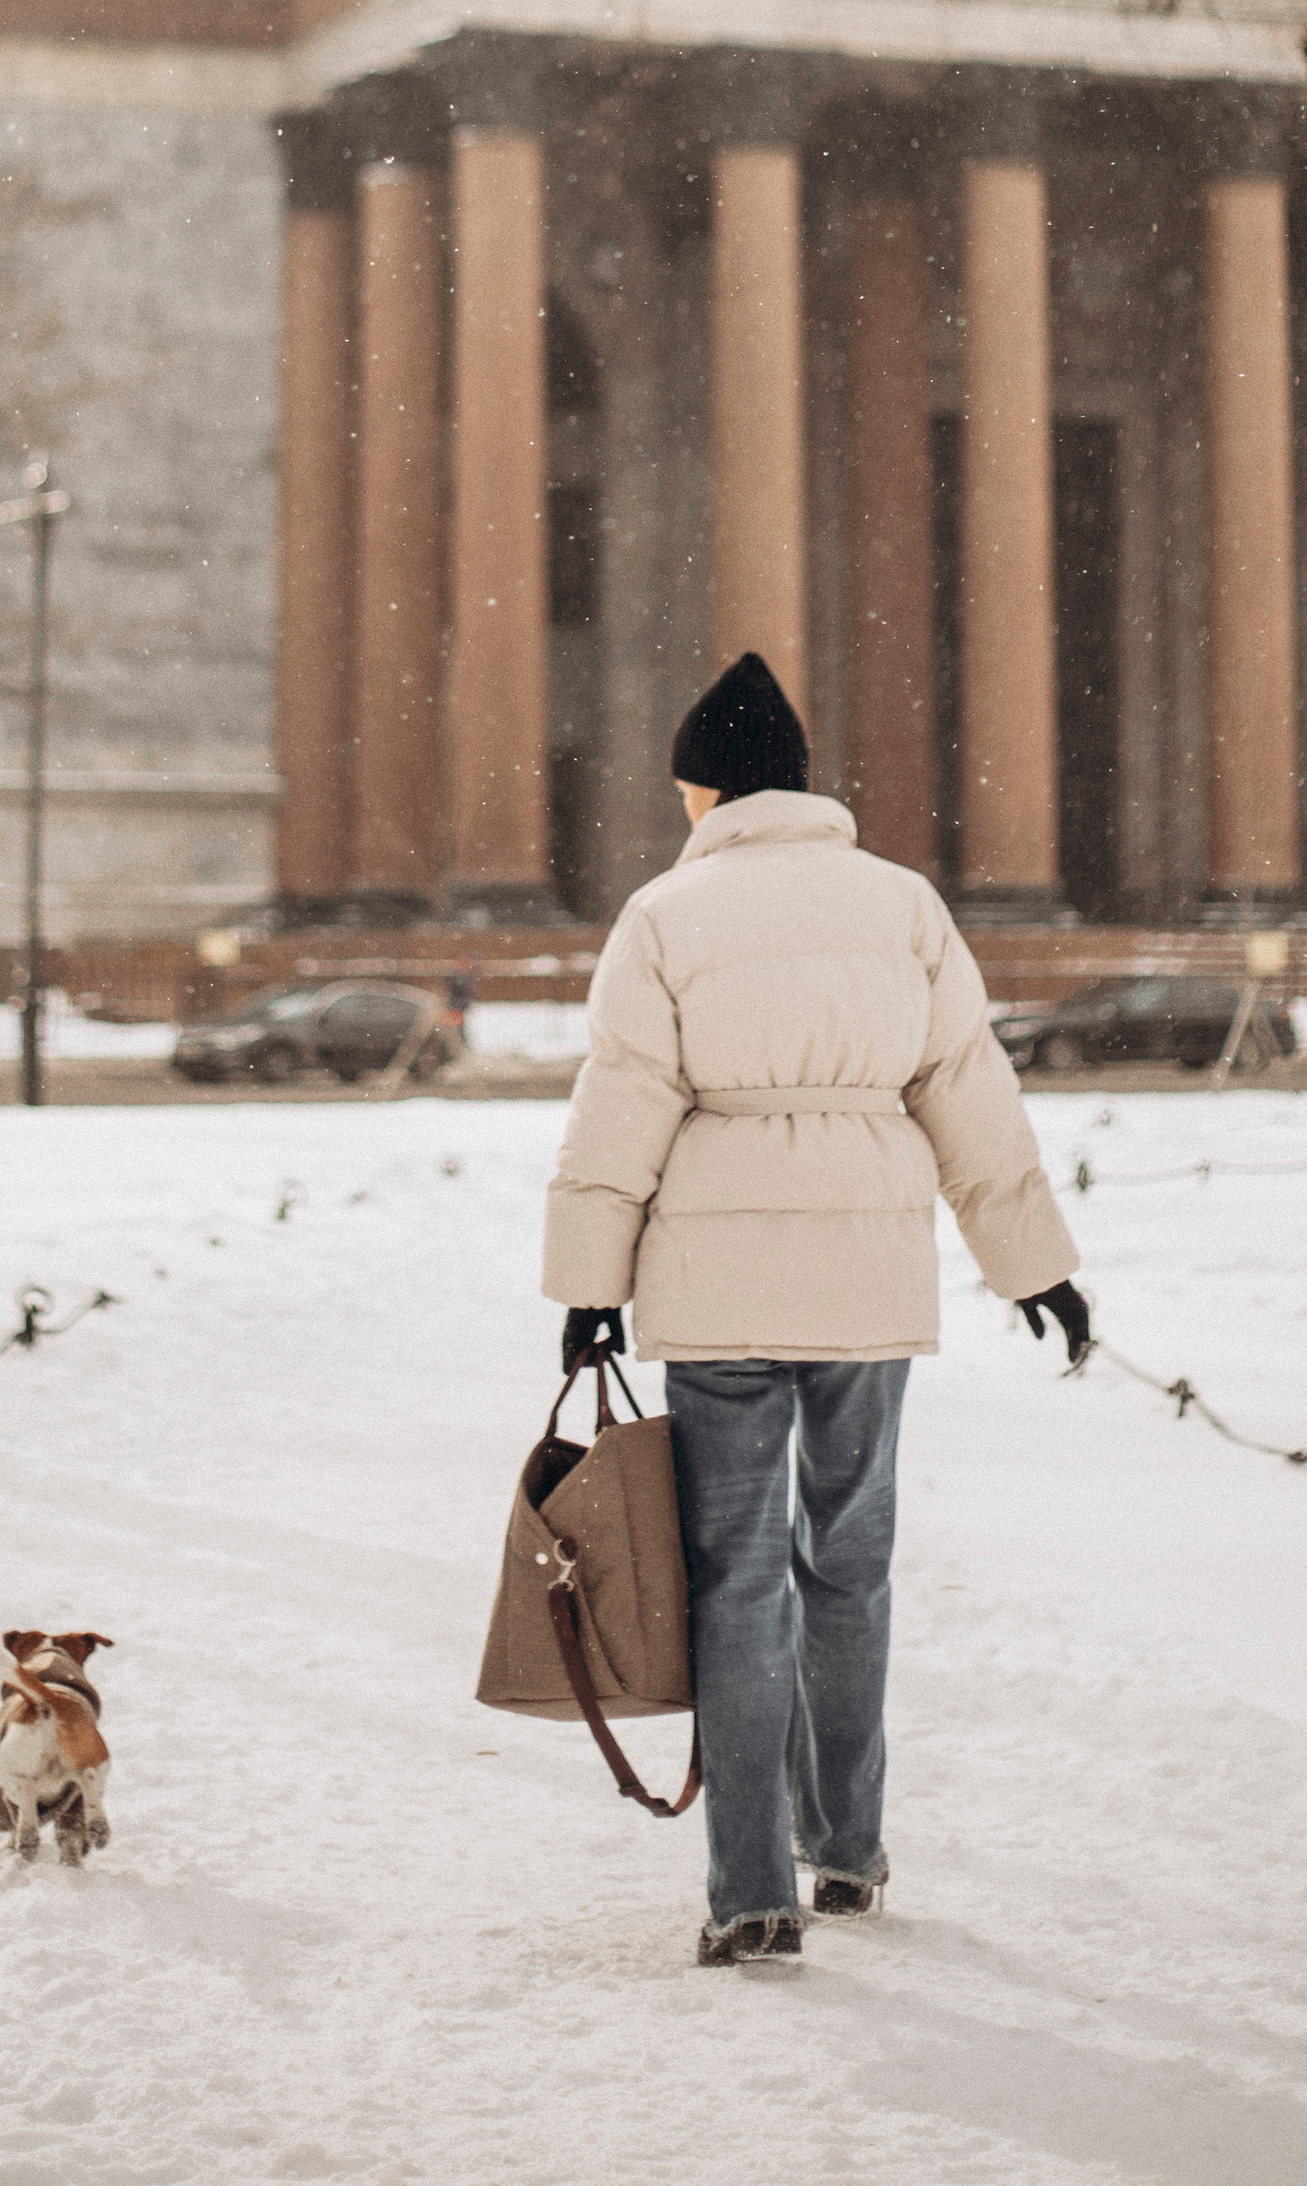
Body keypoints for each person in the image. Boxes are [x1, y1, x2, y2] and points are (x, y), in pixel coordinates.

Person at [542, 651, 1089, 1969]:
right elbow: (967, 1090)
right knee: (850, 1564)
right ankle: (845, 1848)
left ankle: (749, 1893)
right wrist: (1036, 1267)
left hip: (718, 1287)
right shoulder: (903, 904)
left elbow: (622, 1106)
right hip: (866, 1275)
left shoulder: (665, 917)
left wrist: (590, 1290)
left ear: (709, 791)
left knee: (735, 1583)